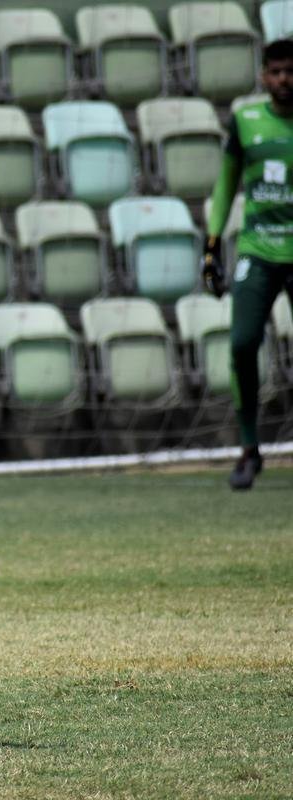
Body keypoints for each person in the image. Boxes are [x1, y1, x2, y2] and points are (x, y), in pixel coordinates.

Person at [204, 37, 293, 490]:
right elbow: (224, 187)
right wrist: (212, 245)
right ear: (263, 76)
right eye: (276, 72)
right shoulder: (246, 122)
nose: (284, 80)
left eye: (290, 71)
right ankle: (248, 448)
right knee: (241, 344)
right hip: (258, 250)